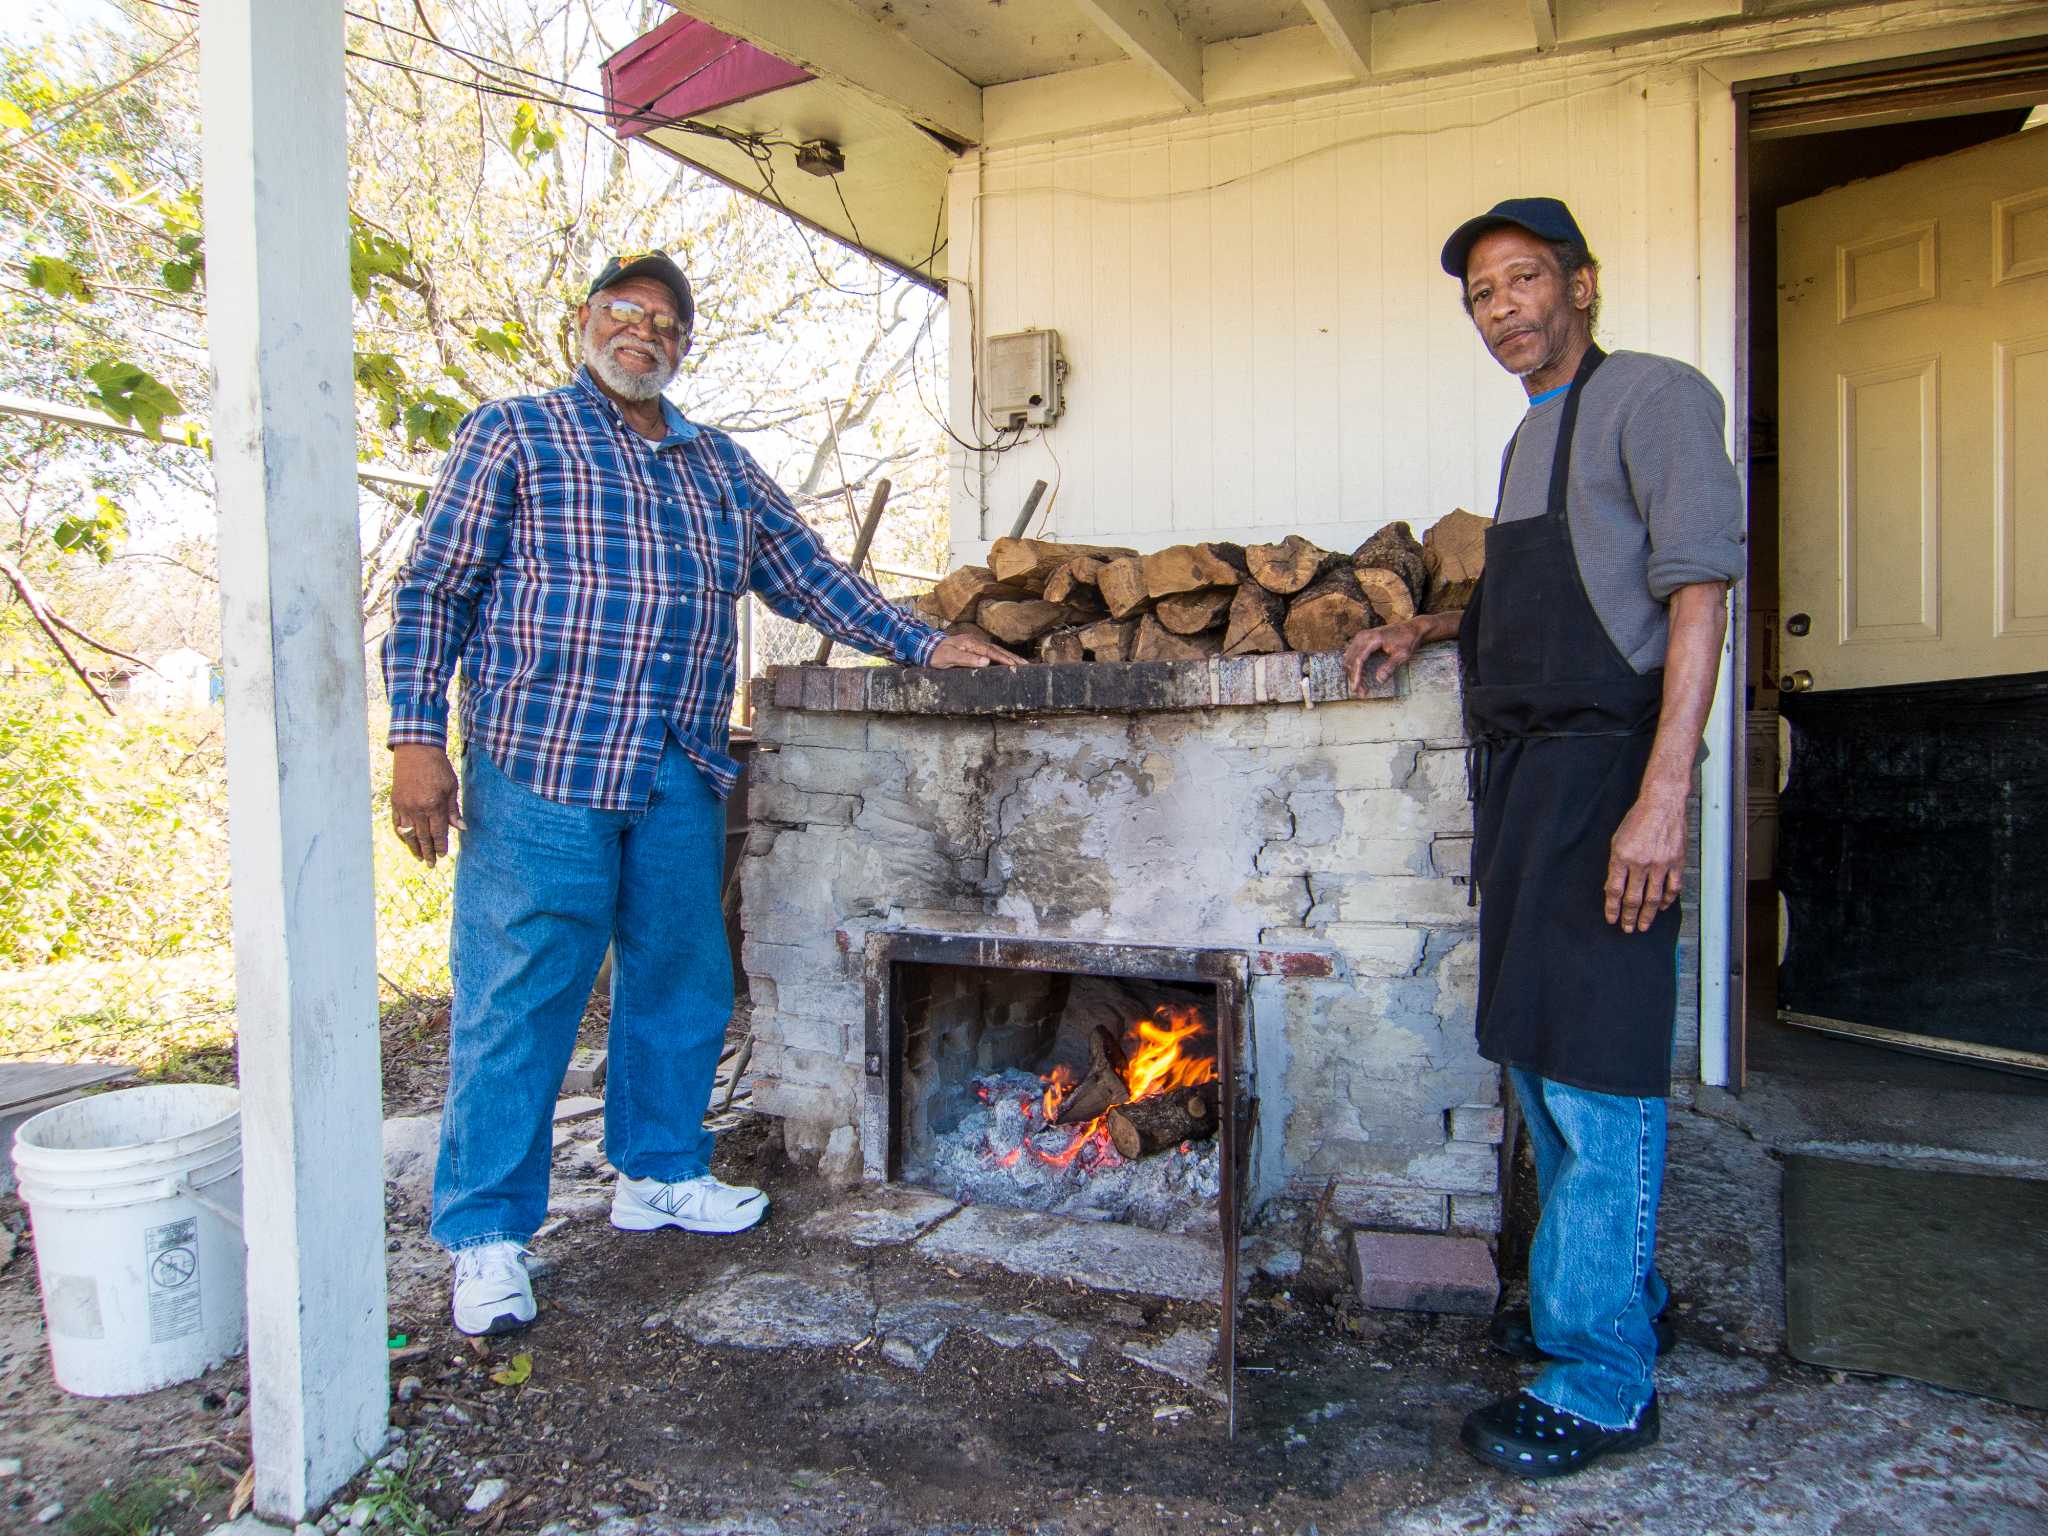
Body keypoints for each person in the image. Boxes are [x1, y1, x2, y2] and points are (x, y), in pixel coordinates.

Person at [382, 251, 1020, 1337]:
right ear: (584, 322)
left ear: (682, 347)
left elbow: (809, 572)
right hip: (541, 765)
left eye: (667, 324)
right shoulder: (515, 435)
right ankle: (486, 1234)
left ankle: (659, 1171)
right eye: (626, 314)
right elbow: (436, 590)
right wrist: (413, 740)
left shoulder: (715, 465)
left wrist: (926, 643)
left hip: (677, 765)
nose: (645, 334)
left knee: (681, 981)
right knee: (517, 998)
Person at [1343, 199, 1743, 1478]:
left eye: (1521, 281)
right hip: (1525, 786)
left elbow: (1693, 593)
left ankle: (1604, 1377)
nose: (1500, 308)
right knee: (1534, 1056)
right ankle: (1613, 1292)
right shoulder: (1531, 439)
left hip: (1606, 777)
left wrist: (1662, 794)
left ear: (1580, 281)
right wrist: (1425, 630)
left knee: (1596, 1068)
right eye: (1478, 294)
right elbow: (1546, 600)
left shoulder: (1653, 396)